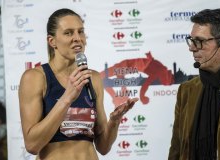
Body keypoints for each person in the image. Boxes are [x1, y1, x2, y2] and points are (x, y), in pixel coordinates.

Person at [18, 8, 139, 160]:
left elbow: (103, 147)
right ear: (52, 41)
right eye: (68, 33)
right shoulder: (35, 77)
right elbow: (32, 145)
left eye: (80, 31)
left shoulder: (92, 78)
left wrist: (114, 121)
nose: (77, 38)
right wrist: (66, 98)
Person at [168, 8, 220, 160]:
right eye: (191, 40)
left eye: (200, 41)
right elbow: (176, 149)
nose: (191, 47)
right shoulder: (186, 90)